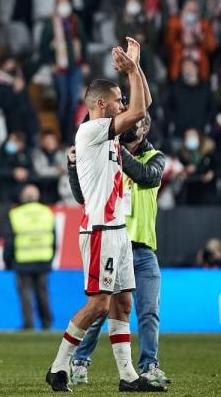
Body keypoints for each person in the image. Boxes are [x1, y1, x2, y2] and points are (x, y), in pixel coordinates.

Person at [45, 38, 165, 393]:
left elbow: (144, 107)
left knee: (123, 302)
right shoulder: (92, 131)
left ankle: (128, 375)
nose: (122, 104)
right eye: (117, 99)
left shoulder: (110, 136)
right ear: (101, 104)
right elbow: (140, 111)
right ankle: (59, 366)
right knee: (98, 304)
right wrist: (131, 70)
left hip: (118, 231)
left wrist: (135, 68)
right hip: (99, 229)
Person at [67, 115, 170, 385]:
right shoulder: (107, 158)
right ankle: (79, 360)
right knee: (101, 309)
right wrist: (72, 166)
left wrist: (113, 146)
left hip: (143, 248)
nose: (125, 128)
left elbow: (146, 177)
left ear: (144, 127)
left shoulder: (155, 158)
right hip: (113, 243)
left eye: (131, 123)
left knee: (148, 310)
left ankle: (149, 366)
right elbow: (83, 197)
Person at [4, 184, 55, 331]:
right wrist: (51, 257)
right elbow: (54, 238)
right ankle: (47, 323)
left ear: (23, 197)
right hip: (43, 258)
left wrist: (8, 260)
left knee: (25, 294)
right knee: (43, 293)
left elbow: (10, 240)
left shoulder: (16, 214)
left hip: (23, 260)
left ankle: (29, 324)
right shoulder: (47, 212)